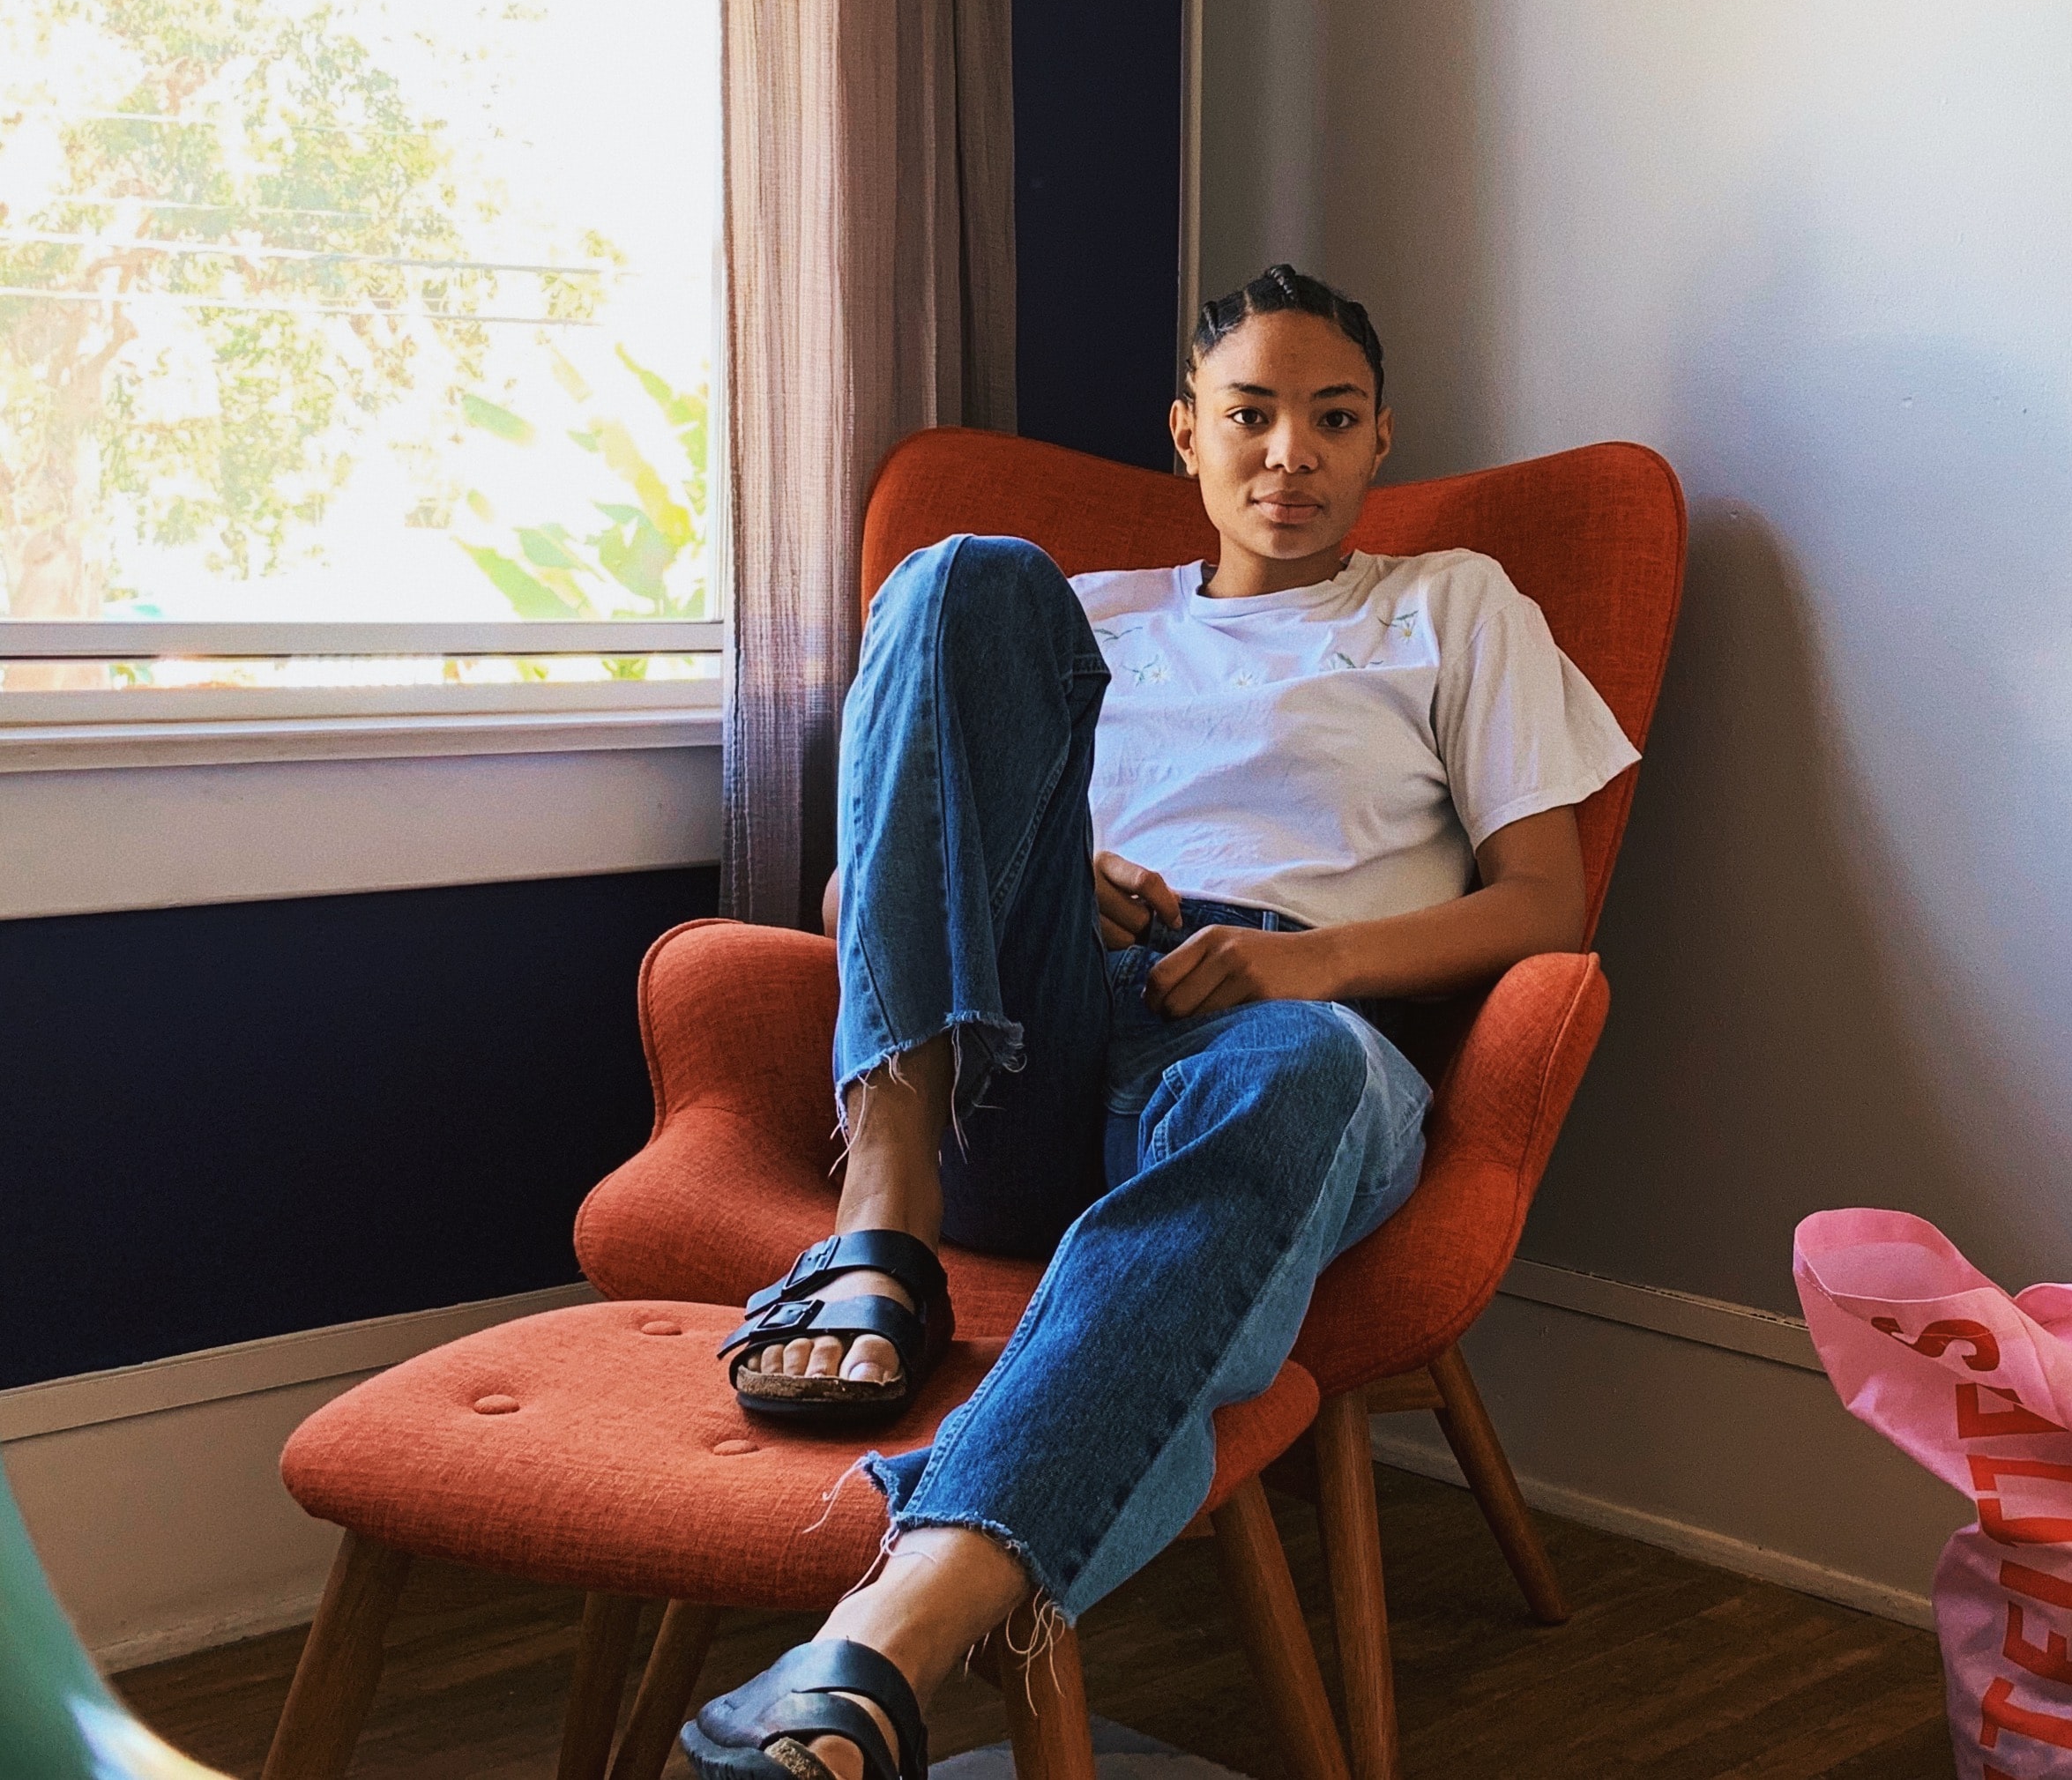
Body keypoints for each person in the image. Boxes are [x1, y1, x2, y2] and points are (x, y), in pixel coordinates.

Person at [683, 266, 1638, 1780]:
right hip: (1033, 1027)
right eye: (1249, 416)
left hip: (1281, 1033)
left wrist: (1299, 970)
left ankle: (883, 1641)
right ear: (1184, 435)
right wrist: (1053, 871)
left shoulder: (1447, 603)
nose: (1290, 455)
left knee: (1308, 1072)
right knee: (952, 574)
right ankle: (883, 1231)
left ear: (1381, 438)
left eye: (1332, 420)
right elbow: (866, 881)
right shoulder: (1087, 617)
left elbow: (1542, 901)